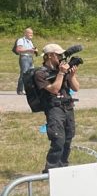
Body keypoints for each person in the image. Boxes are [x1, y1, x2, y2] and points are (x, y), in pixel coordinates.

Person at [35, 44, 80, 172]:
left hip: (68, 107)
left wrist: (71, 76)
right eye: (58, 55)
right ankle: (50, 171)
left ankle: (63, 168)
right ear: (50, 55)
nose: (62, 57)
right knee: (58, 140)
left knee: (68, 139)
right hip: (54, 109)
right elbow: (54, 89)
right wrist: (61, 73)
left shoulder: (62, 70)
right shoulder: (40, 73)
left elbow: (76, 88)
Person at [14, 27, 36, 95]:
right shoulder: (21, 40)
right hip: (24, 58)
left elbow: (31, 50)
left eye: (32, 33)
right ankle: (20, 90)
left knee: (31, 74)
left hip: (30, 58)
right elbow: (18, 50)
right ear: (25, 33)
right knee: (24, 73)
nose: (31, 35)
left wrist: (34, 51)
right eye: (30, 33)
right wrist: (29, 50)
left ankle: (27, 90)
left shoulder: (30, 41)